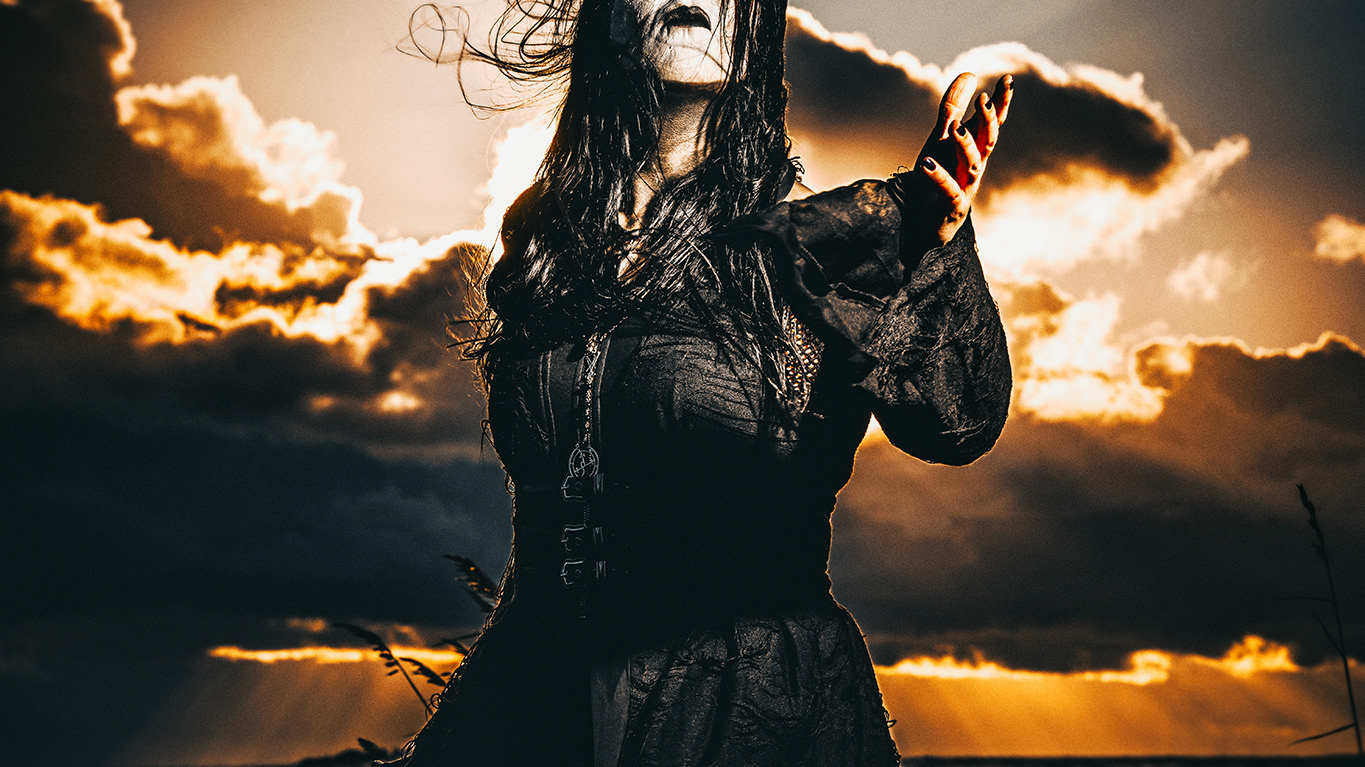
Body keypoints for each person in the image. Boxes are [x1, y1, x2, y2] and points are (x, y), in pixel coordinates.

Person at [399, 0, 1012, 764]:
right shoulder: (550, 255)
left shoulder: (811, 253)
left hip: (746, 717)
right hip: (531, 708)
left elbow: (957, 423)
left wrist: (928, 247)